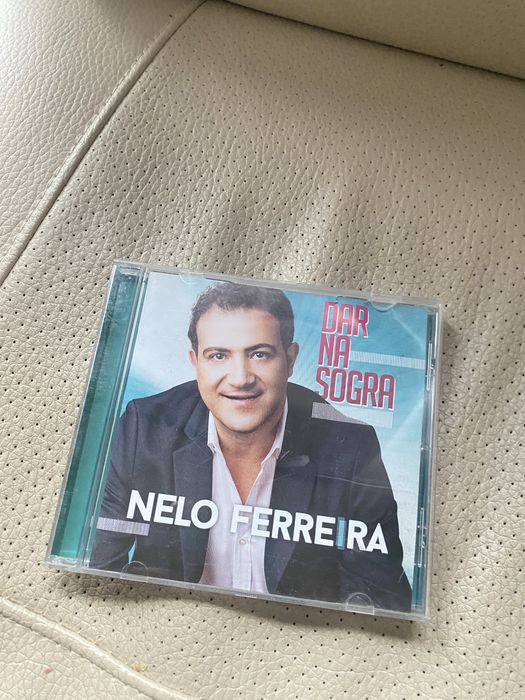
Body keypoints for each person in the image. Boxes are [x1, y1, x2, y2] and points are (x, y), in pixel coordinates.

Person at [90, 282, 412, 612]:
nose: (240, 378)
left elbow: (382, 599)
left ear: (290, 359)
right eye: (218, 356)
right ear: (196, 363)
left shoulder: (351, 447)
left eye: (259, 354)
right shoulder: (144, 429)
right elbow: (96, 568)